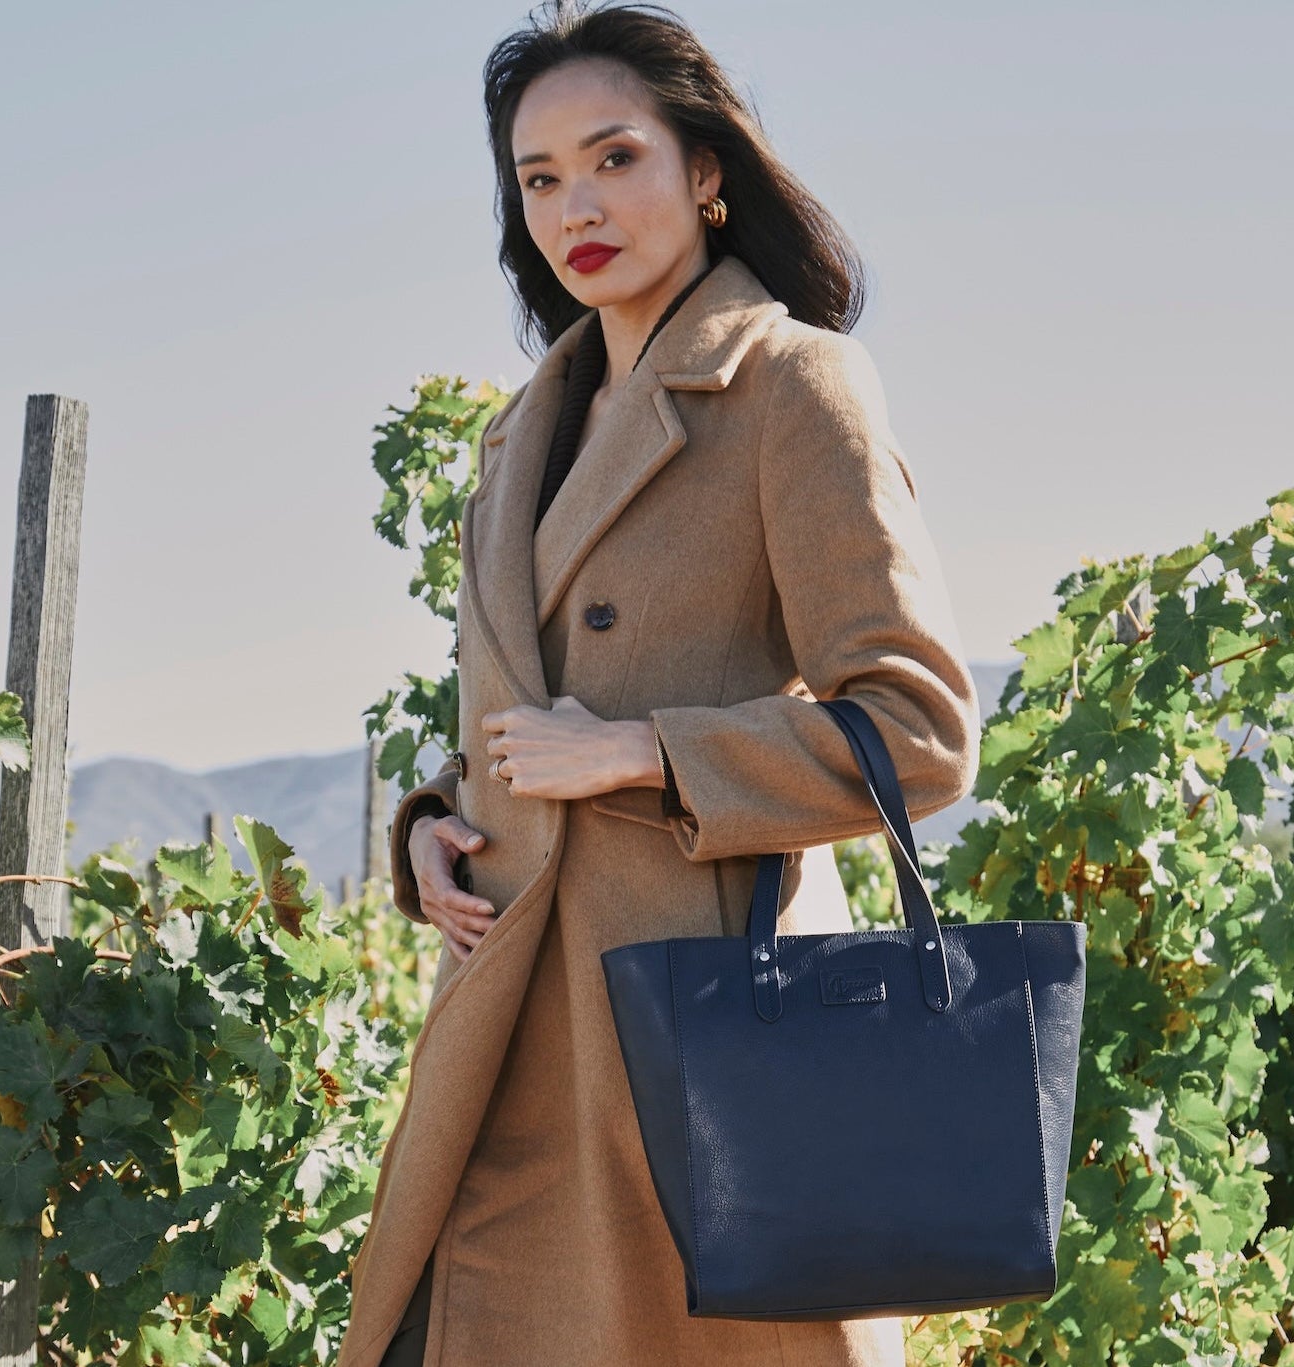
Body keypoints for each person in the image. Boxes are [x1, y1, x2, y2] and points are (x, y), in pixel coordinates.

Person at [338, 3, 981, 1364]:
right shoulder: (519, 437)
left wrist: (643, 754)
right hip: (514, 1019)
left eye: (615, 156)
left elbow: (920, 731)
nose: (578, 203)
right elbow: (528, 715)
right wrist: (434, 829)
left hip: (704, 1036)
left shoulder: (795, 386)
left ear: (705, 169)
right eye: (541, 177)